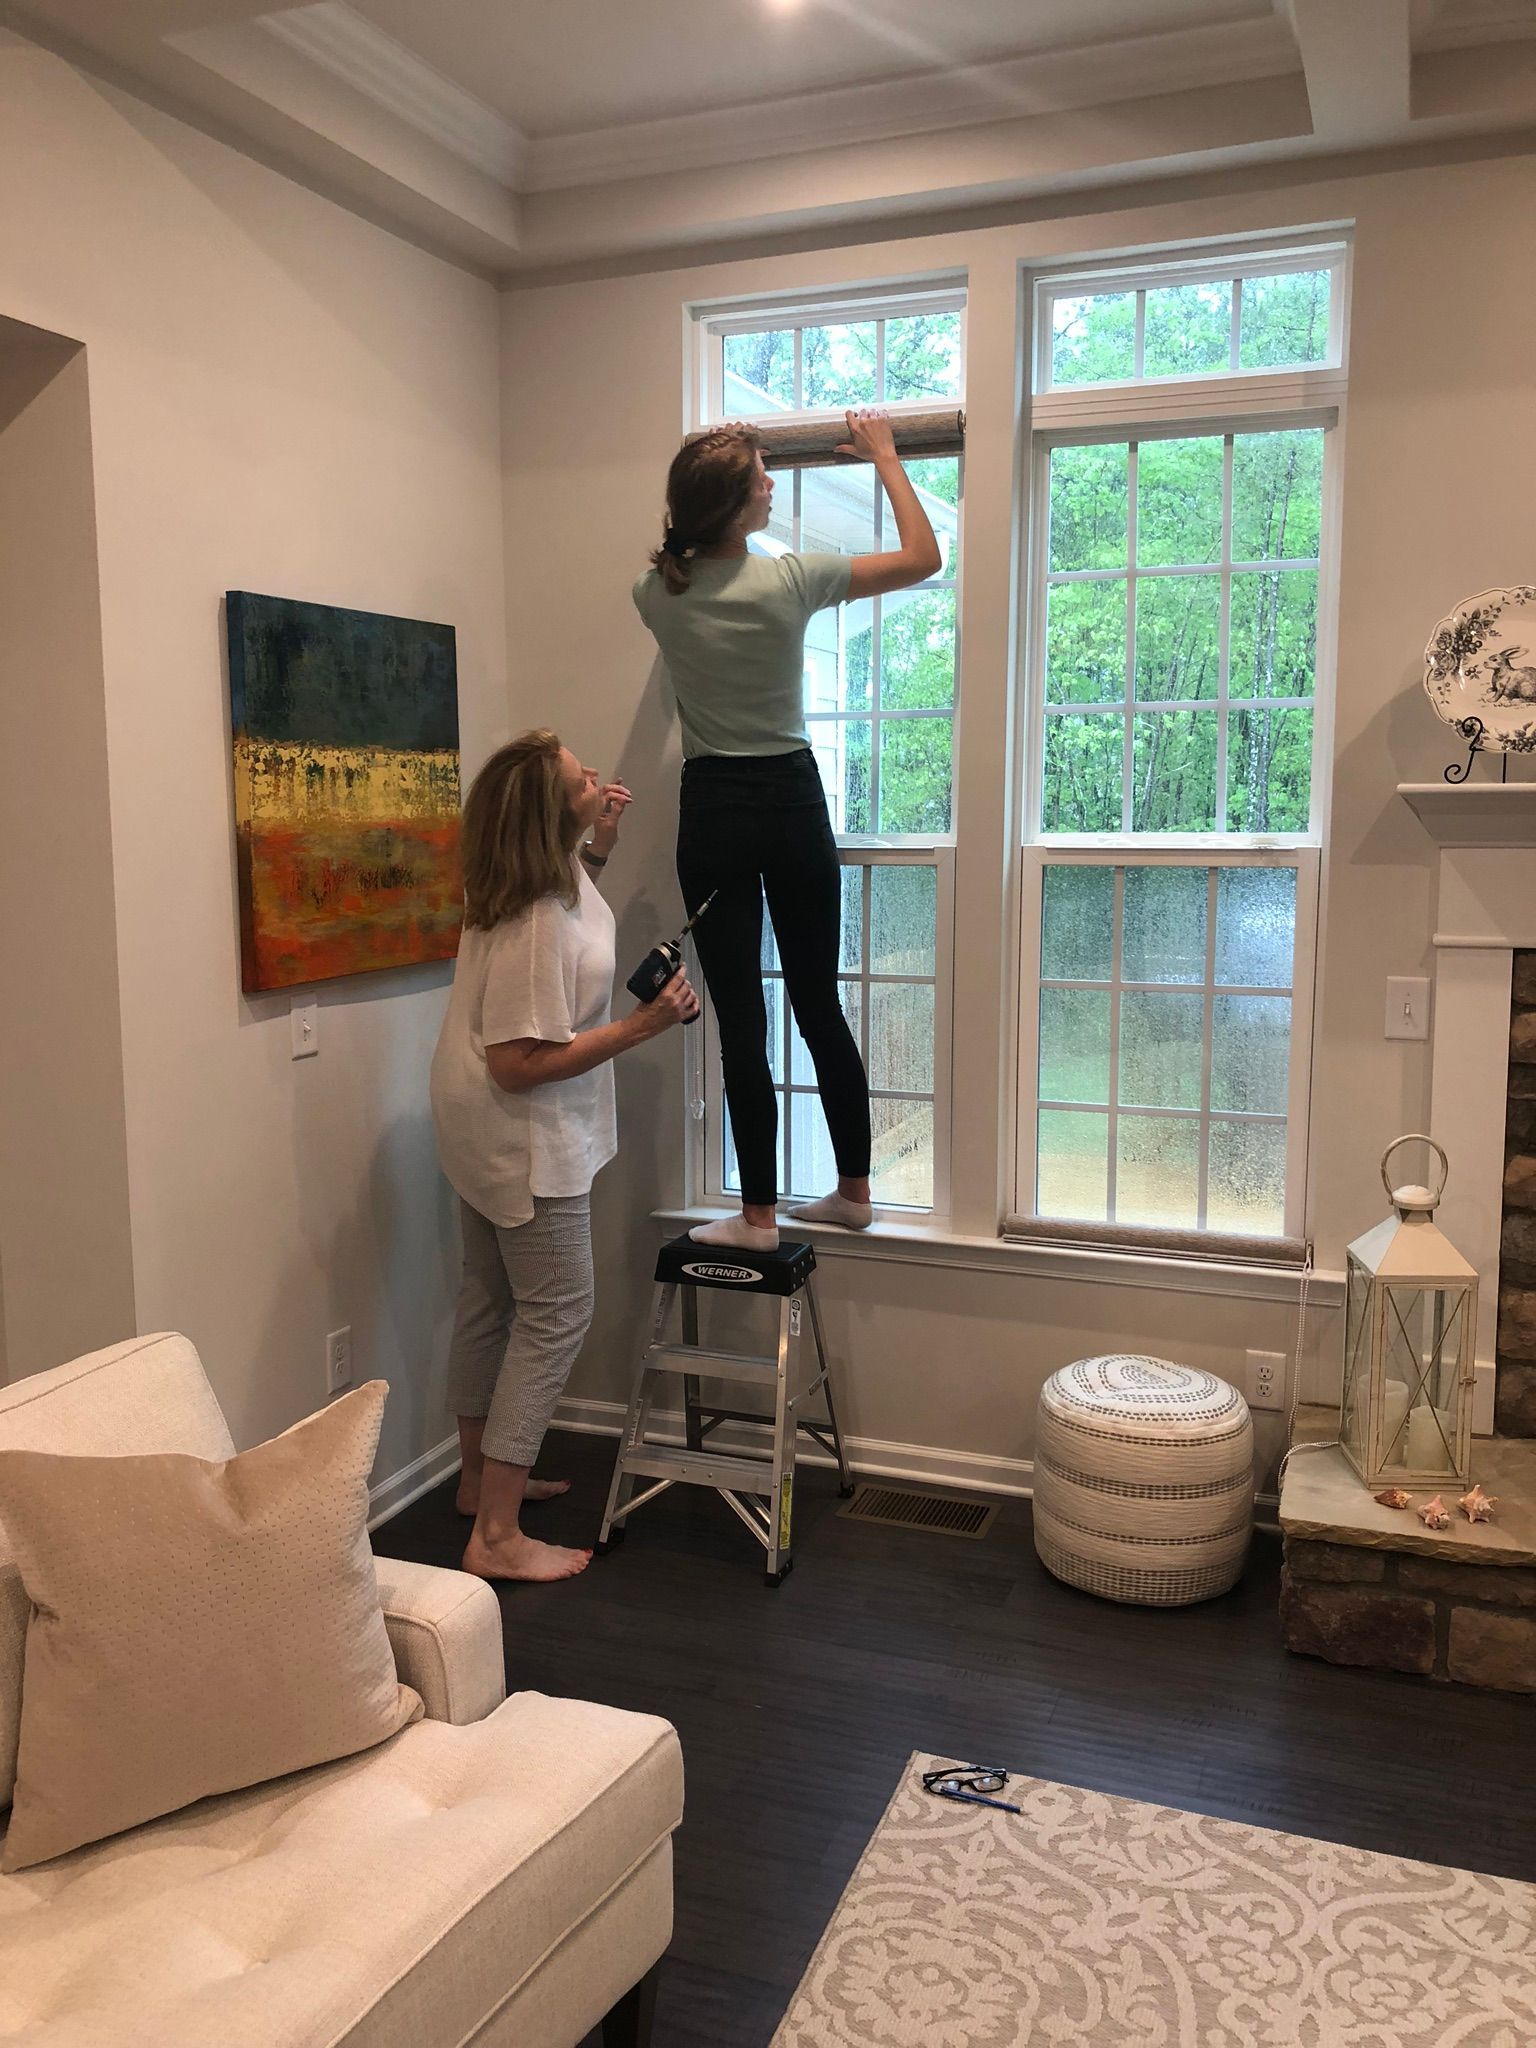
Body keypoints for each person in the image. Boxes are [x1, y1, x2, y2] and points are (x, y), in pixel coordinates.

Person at [633, 407, 940, 1252]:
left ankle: (759, 1217)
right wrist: (883, 456)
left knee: (743, 1016)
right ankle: (854, 1189)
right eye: (762, 476)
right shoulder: (792, 581)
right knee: (818, 1004)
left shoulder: (655, 593)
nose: (774, 483)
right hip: (794, 800)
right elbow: (925, 556)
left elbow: (678, 562)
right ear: (737, 509)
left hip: (718, 805)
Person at [430, 730, 699, 1582]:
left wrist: (604, 843)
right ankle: (498, 1538)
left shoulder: (532, 878)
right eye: (577, 776)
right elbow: (518, 1064)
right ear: (553, 815)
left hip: (472, 1124)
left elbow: (573, 923)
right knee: (555, 1317)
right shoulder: (534, 920)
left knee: (490, 1300)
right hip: (519, 1137)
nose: (593, 772)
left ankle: (479, 1484)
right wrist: (639, 1028)